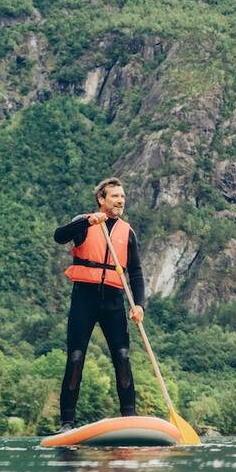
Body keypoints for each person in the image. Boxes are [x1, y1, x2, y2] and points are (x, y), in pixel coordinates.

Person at [52, 177, 146, 430]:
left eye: (123, 197)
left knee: (123, 357)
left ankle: (129, 418)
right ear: (101, 200)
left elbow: (135, 273)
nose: (120, 201)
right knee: (75, 357)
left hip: (114, 301)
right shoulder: (84, 223)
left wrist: (139, 305)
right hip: (85, 297)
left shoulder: (128, 233)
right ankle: (67, 422)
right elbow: (59, 236)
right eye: (115, 196)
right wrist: (85, 221)